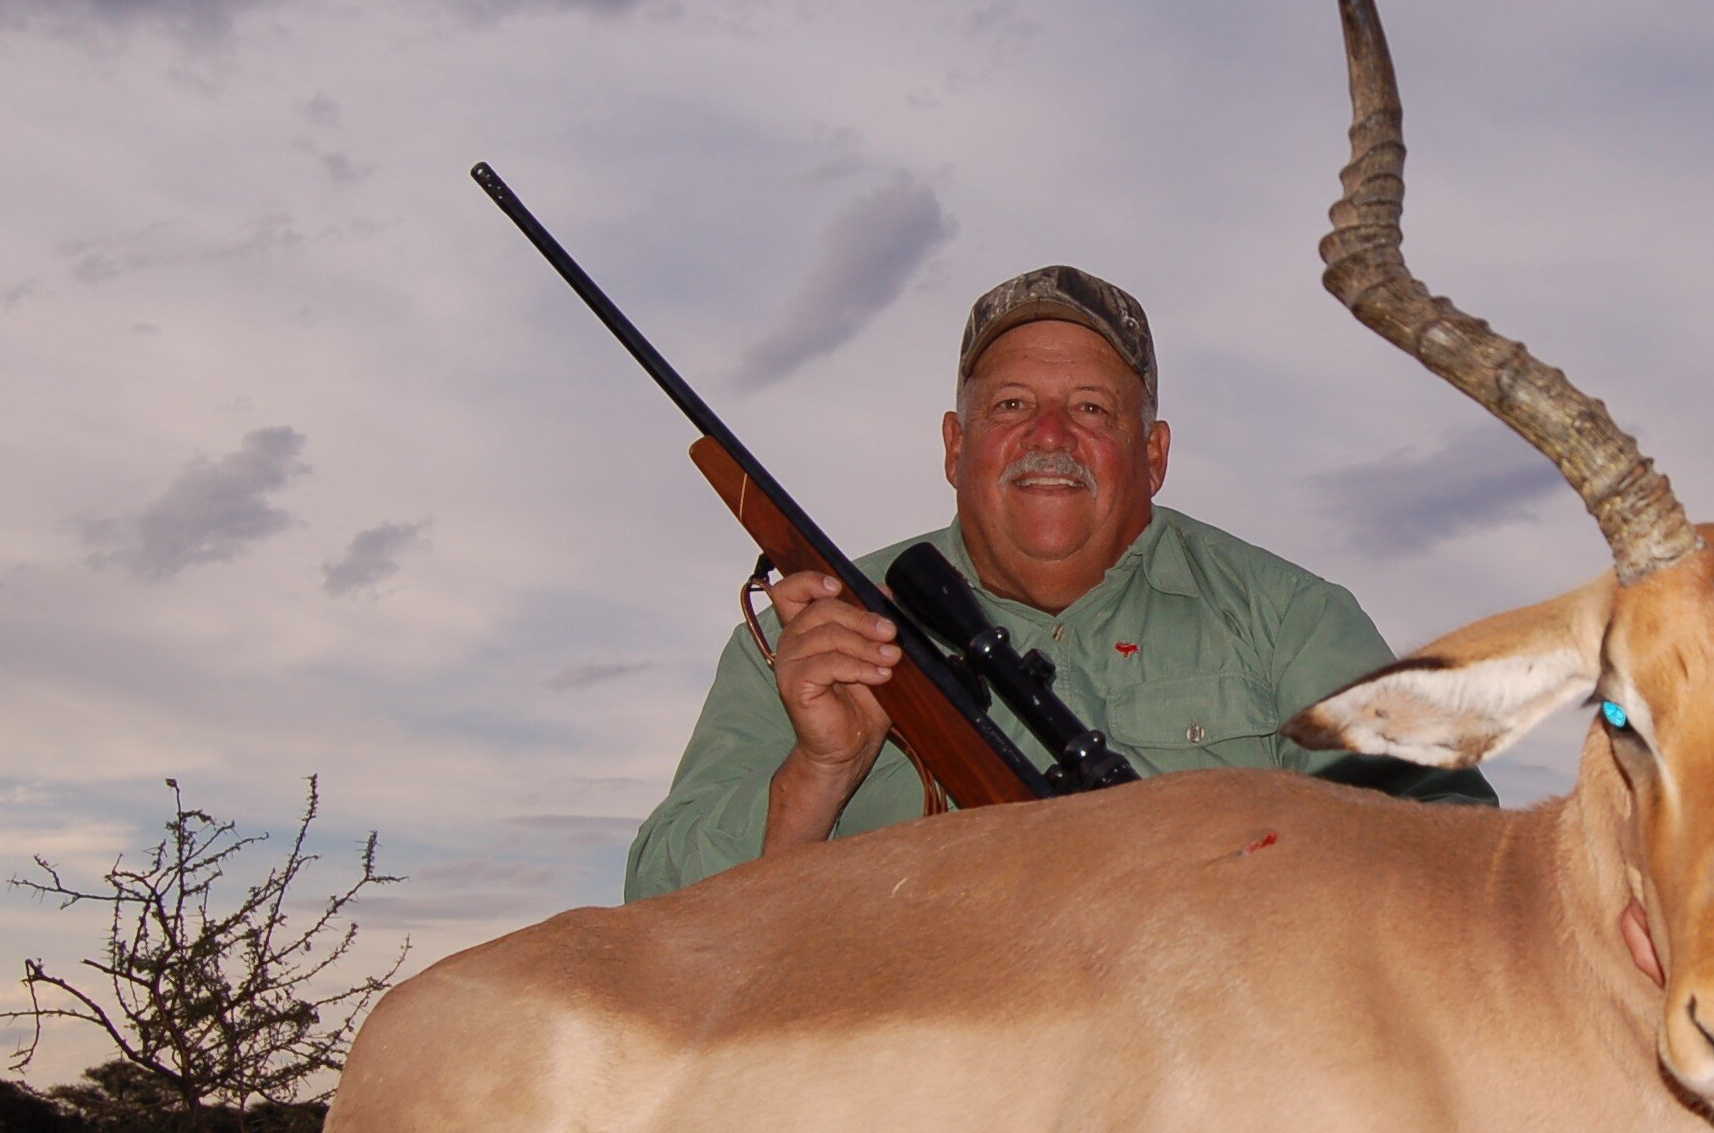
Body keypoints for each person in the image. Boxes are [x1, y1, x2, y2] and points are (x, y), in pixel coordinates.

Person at [627, 264, 1492, 898]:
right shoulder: (812, 638)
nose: (1049, 436)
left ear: (1152, 456)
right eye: (1009, 406)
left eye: (1090, 409)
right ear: (952, 446)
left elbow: (1460, 854)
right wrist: (819, 771)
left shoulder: (1291, 619)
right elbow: (654, 909)